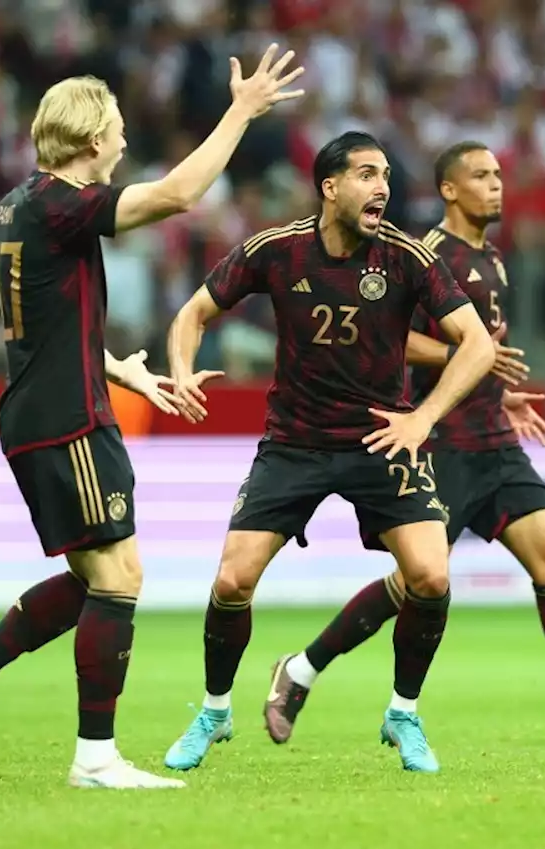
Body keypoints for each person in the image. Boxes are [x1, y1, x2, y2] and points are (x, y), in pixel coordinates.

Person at [0, 46, 305, 790]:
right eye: (118, 129)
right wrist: (241, 113)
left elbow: (49, 323)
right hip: (67, 422)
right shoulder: (64, 204)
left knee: (100, 578)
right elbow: (182, 194)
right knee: (120, 577)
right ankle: (95, 758)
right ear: (94, 140)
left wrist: (125, 370)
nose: (124, 141)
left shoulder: (20, 204)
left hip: (45, 409)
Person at [261, 142, 545, 748]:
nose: (497, 186)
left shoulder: (494, 259)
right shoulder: (421, 254)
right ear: (450, 190)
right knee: (417, 582)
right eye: (481, 176)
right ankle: (301, 669)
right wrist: (463, 355)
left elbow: (476, 359)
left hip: (495, 442)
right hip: (441, 444)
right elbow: (389, 340)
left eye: (499, 175)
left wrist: (494, 392)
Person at [162, 131, 496, 774]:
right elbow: (191, 314)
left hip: (380, 439)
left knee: (430, 574)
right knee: (232, 580)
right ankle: (214, 711)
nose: (383, 189)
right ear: (330, 187)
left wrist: (422, 418)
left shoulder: (405, 258)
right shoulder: (277, 250)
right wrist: (180, 370)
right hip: (295, 443)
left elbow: (476, 345)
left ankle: (404, 713)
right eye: (368, 175)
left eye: (387, 177)